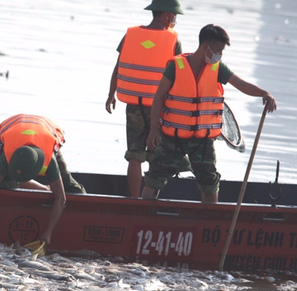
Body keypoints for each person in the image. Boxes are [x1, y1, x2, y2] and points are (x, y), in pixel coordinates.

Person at [143, 24, 277, 202]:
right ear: (206, 46)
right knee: (155, 178)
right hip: (172, 137)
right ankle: (145, 214)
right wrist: (153, 130)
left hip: (202, 140)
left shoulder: (218, 68)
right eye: (218, 50)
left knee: (209, 182)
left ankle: (209, 224)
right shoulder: (176, 66)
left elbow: (242, 85)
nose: (219, 55)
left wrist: (264, 93)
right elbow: (159, 97)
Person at [106, 0, 184, 198]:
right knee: (156, 156)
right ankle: (149, 201)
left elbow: (118, 67)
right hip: (159, 107)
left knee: (135, 155)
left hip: (133, 104)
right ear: (167, 15)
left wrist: (110, 94)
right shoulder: (173, 40)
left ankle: (134, 201)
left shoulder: (131, 35)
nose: (175, 20)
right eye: (174, 16)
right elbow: (180, 75)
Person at [0, 114, 85, 245]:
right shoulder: (7, 156)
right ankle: (44, 189)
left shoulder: (50, 160)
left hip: (46, 132)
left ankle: (82, 199)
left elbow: (61, 198)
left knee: (69, 185)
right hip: (14, 129)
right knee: (4, 184)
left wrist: (49, 232)